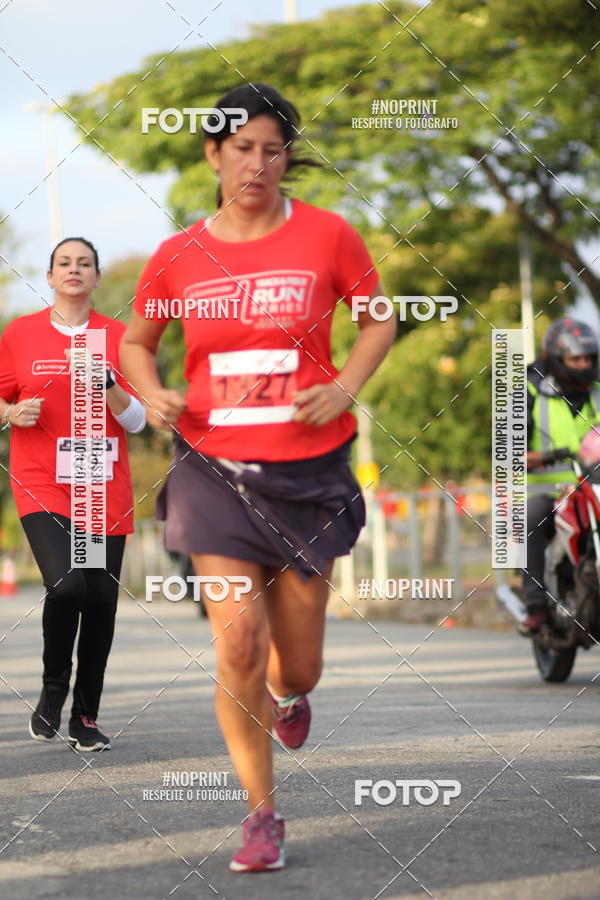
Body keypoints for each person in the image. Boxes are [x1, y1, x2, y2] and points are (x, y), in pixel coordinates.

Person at [120, 83, 396, 871]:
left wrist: (344, 386)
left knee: (295, 662)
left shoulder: (328, 235)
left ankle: (291, 692)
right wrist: (152, 391)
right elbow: (137, 342)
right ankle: (261, 815)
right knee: (239, 643)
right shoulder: (178, 254)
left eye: (273, 151)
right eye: (242, 148)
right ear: (214, 153)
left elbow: (379, 319)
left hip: (309, 471)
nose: (257, 164)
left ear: (286, 159)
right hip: (214, 469)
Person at [0, 238, 146, 751]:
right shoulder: (20, 334)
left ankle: (85, 717)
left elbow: (140, 420)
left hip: (101, 488)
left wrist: (108, 384)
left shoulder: (120, 336)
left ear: (97, 277)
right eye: (64, 262)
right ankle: (52, 688)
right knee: (67, 586)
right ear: (50, 276)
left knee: (100, 600)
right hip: (43, 481)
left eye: (85, 263)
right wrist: (9, 413)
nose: (74, 269)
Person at [521, 316, 600, 635]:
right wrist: (540, 457)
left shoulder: (598, 390)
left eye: (588, 358)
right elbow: (506, 450)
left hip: (592, 486)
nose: (583, 365)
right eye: (575, 359)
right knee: (529, 519)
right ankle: (535, 606)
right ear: (556, 358)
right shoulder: (528, 389)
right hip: (547, 490)